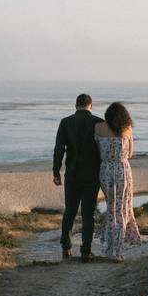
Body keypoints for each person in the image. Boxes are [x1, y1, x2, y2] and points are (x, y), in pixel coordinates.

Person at [52, 93, 103, 262]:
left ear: (76, 105)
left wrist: (56, 172)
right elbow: (103, 150)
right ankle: (86, 252)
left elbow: (59, 149)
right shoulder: (99, 122)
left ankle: (66, 248)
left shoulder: (66, 122)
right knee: (88, 214)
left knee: (70, 211)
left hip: (72, 173)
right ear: (91, 105)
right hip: (92, 174)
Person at [94, 101, 141, 262]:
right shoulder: (127, 129)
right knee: (122, 209)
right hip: (122, 171)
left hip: (105, 171)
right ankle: (117, 250)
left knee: (112, 207)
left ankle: (110, 246)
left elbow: (96, 150)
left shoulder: (98, 128)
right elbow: (130, 154)